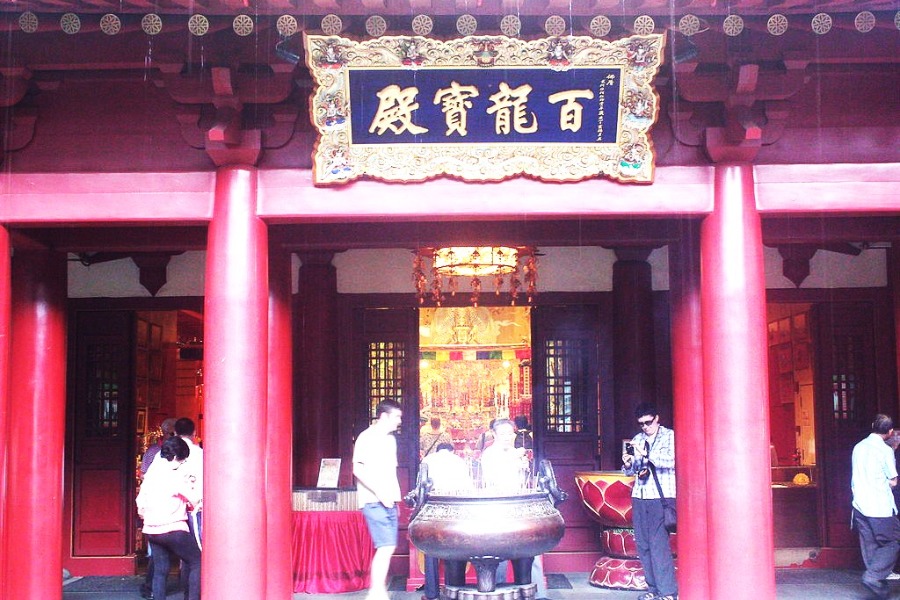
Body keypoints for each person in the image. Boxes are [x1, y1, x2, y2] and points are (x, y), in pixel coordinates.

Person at [480, 419, 548, 599]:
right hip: (499, 507)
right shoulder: (489, 454)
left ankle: (538, 593)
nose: (507, 437)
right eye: (502, 434)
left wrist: (523, 467)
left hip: (520, 506)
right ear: (494, 434)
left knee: (531, 549)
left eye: (510, 434)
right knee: (498, 553)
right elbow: (492, 480)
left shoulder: (516, 453)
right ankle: (499, 592)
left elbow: (523, 479)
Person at [136, 436, 202, 600]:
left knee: (160, 570)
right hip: (172, 528)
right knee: (197, 562)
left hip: (152, 529)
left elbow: (140, 503)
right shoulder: (174, 475)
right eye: (182, 460)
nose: (182, 463)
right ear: (173, 457)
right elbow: (193, 498)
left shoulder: (151, 474)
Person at [622, 403, 677, 600]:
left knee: (658, 545)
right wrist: (629, 463)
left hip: (660, 497)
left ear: (657, 418)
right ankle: (653, 589)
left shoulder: (669, 436)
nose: (645, 427)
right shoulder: (638, 439)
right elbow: (633, 471)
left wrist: (648, 455)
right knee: (643, 545)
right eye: (641, 424)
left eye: (648, 422)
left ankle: (668, 592)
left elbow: (672, 461)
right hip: (640, 495)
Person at [354, 399, 403, 600]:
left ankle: (377, 591)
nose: (399, 421)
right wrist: (380, 493)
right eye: (397, 417)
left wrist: (394, 498)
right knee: (385, 546)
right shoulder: (366, 437)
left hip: (389, 500)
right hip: (374, 499)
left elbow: (391, 473)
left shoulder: (390, 440)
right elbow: (358, 469)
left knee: (388, 546)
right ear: (384, 416)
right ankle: (376, 592)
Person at [851, 414, 900, 598]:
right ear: (890, 432)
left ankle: (877, 583)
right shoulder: (885, 450)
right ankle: (873, 577)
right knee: (892, 542)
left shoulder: (858, 447)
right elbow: (893, 481)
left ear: (872, 426)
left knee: (870, 544)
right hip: (879, 505)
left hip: (860, 504)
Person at [419, 443, 472, 600]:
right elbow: (467, 487)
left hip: (432, 507)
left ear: (437, 450)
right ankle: (454, 589)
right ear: (452, 450)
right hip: (454, 508)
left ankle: (431, 593)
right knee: (453, 549)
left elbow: (421, 485)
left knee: (430, 551)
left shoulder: (427, 460)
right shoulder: (459, 461)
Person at [139, 418, 177, 599]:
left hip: (157, 511)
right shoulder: (155, 452)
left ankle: (154, 589)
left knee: (159, 555)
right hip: (167, 511)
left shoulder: (154, 452)